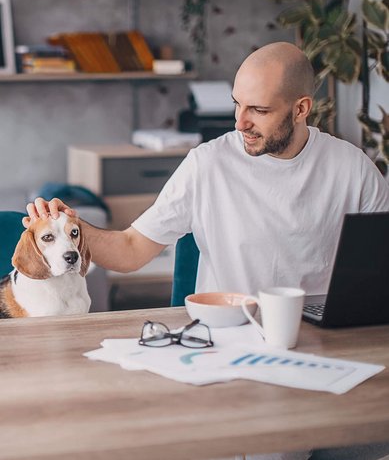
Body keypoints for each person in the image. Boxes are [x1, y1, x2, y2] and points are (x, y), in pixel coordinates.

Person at [24, 42, 389, 460]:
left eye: (259, 110)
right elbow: (129, 250)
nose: (240, 122)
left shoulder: (352, 168)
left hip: (326, 347)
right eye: (237, 105)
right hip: (234, 349)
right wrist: (74, 227)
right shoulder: (208, 165)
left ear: (302, 108)